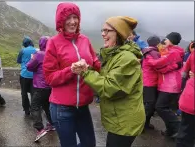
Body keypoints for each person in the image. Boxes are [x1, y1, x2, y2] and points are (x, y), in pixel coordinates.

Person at [72, 16, 145, 147]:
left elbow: (110, 87)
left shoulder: (127, 58)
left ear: (119, 33)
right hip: (119, 119)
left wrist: (86, 72)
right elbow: (107, 76)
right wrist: (88, 68)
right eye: (102, 30)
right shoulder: (116, 54)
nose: (102, 34)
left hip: (125, 122)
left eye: (107, 31)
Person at [43, 2, 101, 147]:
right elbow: (50, 77)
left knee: (89, 144)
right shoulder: (53, 42)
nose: (72, 21)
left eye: (75, 17)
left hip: (83, 106)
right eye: (68, 18)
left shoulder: (85, 40)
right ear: (60, 21)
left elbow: (96, 64)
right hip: (62, 108)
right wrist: (70, 70)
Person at [147, 32, 184, 138]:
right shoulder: (174, 51)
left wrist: (147, 55)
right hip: (168, 84)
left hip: (170, 85)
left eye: (167, 39)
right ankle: (170, 130)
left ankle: (178, 127)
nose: (165, 40)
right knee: (164, 107)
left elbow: (158, 64)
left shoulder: (172, 53)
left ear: (171, 40)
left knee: (160, 107)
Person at [26, 36, 55, 142]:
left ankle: (40, 128)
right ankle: (52, 124)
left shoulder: (38, 54)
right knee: (47, 106)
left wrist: (32, 58)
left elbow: (29, 66)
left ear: (41, 44)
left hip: (40, 86)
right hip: (49, 86)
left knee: (34, 107)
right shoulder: (52, 54)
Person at [176, 48, 195, 147]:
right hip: (191, 101)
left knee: (185, 131)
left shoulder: (193, 54)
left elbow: (184, 72)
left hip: (188, 97)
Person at [17, 36, 37, 116]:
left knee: (24, 93)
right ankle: (34, 109)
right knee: (33, 93)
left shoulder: (22, 50)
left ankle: (26, 109)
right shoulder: (36, 50)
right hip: (33, 75)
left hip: (24, 75)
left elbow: (18, 61)